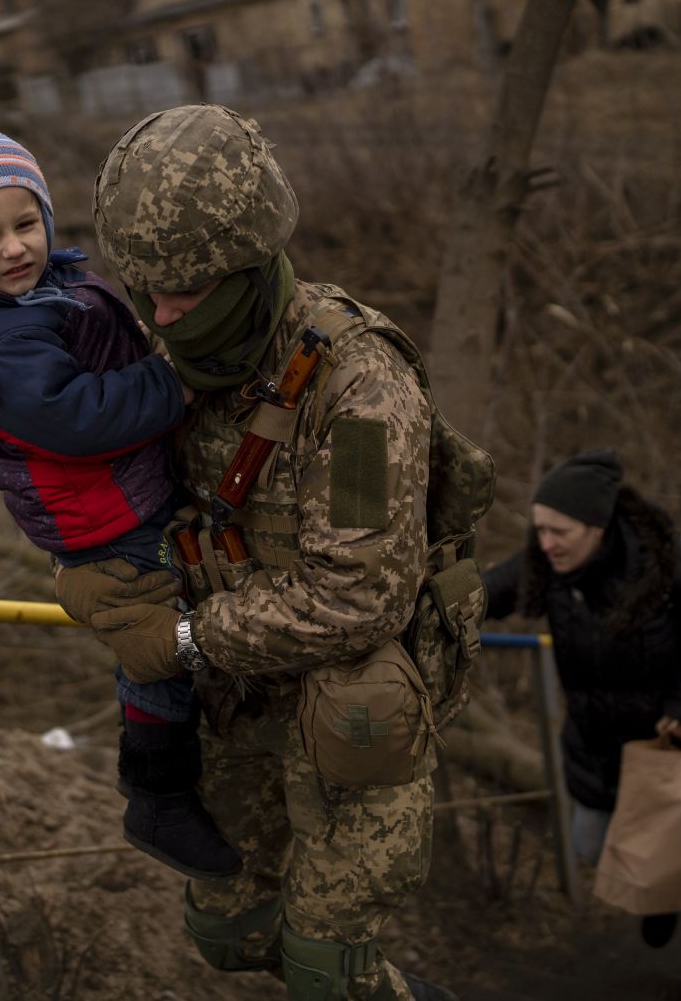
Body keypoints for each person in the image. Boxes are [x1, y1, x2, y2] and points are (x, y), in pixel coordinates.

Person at [54, 105, 473, 1001]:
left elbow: (359, 594)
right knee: (230, 933)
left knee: (327, 970)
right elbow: (96, 486)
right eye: (145, 290)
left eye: (186, 293)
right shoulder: (162, 354)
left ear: (249, 267)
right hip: (234, 705)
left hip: (349, 706)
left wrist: (183, 639)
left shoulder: (358, 382)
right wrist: (88, 568)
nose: (162, 315)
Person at [0, 128, 240, 880]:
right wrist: (173, 380)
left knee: (183, 622)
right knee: (156, 647)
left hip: (132, 493)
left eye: (26, 223)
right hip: (105, 521)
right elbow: (77, 419)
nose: (15, 247)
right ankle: (158, 796)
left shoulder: (43, 289)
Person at [482, 450, 681, 1001]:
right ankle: (659, 894)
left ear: (598, 526)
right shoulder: (547, 562)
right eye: (540, 530)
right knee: (592, 843)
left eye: (560, 531)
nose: (547, 543)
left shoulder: (667, 562)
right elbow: (486, 592)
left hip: (676, 738)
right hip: (600, 744)